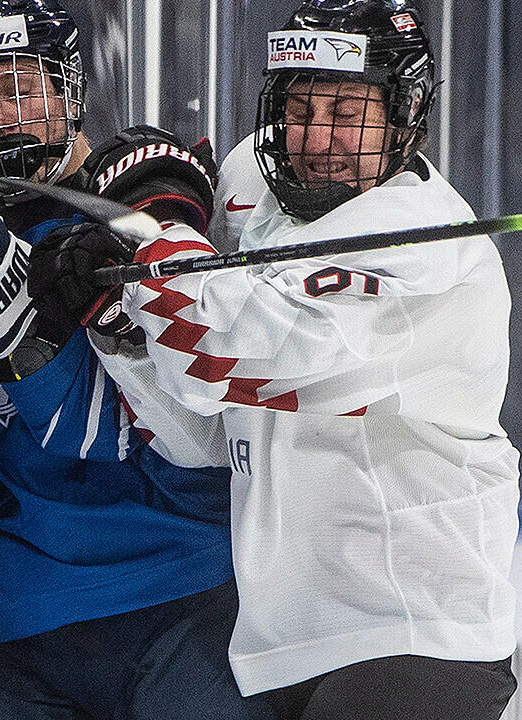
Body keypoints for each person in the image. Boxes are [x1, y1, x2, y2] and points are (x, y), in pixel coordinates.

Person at [32, 1, 521, 718]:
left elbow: (229, 352)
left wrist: (153, 243)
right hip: (278, 642)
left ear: (405, 112)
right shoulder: (253, 185)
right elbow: (203, 432)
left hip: (416, 631)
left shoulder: (432, 254)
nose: (318, 138)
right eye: (300, 106)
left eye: (348, 110)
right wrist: (119, 327)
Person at [0, 0, 276, 718]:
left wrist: (12, 323)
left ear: (68, 91)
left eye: (16, 89)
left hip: (187, 606)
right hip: (27, 633)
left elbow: (187, 446)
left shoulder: (128, 209)